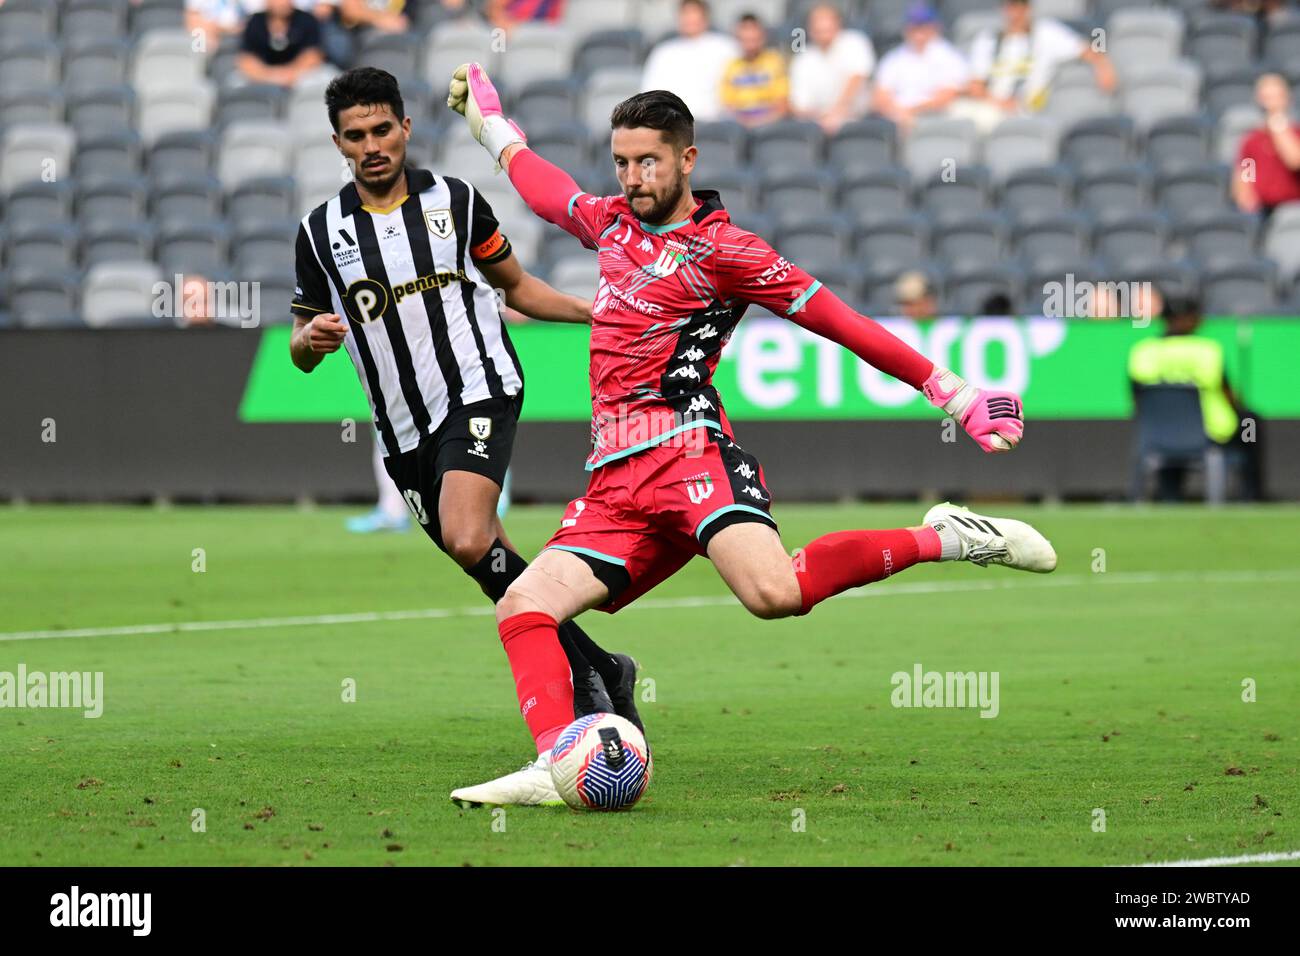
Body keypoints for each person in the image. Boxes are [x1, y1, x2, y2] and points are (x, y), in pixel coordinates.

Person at [445, 64, 1057, 805]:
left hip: (688, 453)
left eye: (649, 162)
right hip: (614, 478)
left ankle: (949, 537)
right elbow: (545, 191)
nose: (634, 177)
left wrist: (952, 392)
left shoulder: (728, 252)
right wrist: (489, 126)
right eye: (623, 162)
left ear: (686, 161)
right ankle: (557, 761)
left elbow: (842, 323)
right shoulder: (609, 221)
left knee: (775, 595)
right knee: (523, 606)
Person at [289, 68, 643, 768]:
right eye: (355, 136)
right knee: (490, 563)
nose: (371, 146)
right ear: (337, 142)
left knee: (465, 535)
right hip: (401, 430)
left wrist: (598, 312)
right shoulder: (319, 231)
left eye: (382, 130)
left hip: (480, 388)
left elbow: (517, 288)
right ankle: (601, 667)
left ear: (405, 128)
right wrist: (311, 341)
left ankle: (586, 682)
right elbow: (302, 346)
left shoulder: (456, 202)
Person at [1128, 295, 1263, 501]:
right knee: (1250, 421)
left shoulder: (1143, 351)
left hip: (1158, 433)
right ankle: (1250, 494)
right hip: (1212, 434)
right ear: (1190, 319)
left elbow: (1136, 397)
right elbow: (1229, 396)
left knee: (1174, 425)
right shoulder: (1207, 350)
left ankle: (1170, 495)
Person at [961, 0, 1115, 132]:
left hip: (1024, 109)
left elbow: (1087, 50)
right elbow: (975, 86)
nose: (1016, 12)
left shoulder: (1046, 33)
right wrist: (997, 102)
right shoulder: (987, 39)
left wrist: (1103, 66)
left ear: (1029, 9)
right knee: (958, 116)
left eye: (1021, 6)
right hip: (991, 106)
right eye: (1011, 6)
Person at [871, 3, 969, 131]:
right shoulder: (894, 58)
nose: (918, 32)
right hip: (895, 118)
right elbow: (879, 96)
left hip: (936, 118)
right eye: (914, 27)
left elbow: (947, 96)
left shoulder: (949, 56)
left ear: (935, 27)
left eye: (923, 26)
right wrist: (899, 113)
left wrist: (912, 112)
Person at [641, 0, 740, 124]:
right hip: (672, 124)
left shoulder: (727, 47)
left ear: (705, 17)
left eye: (694, 13)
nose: (690, 19)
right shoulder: (663, 52)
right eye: (685, 14)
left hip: (716, 123)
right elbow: (651, 93)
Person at [788, 2, 875, 135]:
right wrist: (823, 118)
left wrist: (837, 112)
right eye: (818, 26)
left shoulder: (855, 42)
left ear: (838, 24)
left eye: (827, 25)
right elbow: (799, 105)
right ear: (810, 29)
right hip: (816, 125)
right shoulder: (802, 59)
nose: (823, 30)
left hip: (858, 120)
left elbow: (857, 78)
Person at [1231, 73, 1300, 219]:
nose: (1271, 104)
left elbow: (1294, 160)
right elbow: (1245, 176)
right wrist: (1245, 196)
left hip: (1294, 210)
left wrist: (1279, 128)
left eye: (1276, 97)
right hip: (1263, 212)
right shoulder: (1252, 140)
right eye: (1267, 98)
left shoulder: (1296, 133)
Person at [719, 12, 789, 128]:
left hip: (770, 125)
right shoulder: (731, 66)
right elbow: (728, 105)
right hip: (740, 126)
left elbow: (782, 105)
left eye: (753, 39)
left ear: (762, 37)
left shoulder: (775, 62)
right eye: (745, 40)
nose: (750, 45)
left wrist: (759, 123)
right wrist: (745, 123)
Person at [238, 0, 325, 87]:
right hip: (263, 77)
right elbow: (246, 58)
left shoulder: (306, 19)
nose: (284, 2)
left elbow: (313, 55)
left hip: (300, 76)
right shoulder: (255, 21)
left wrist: (292, 73)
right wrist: (270, 75)